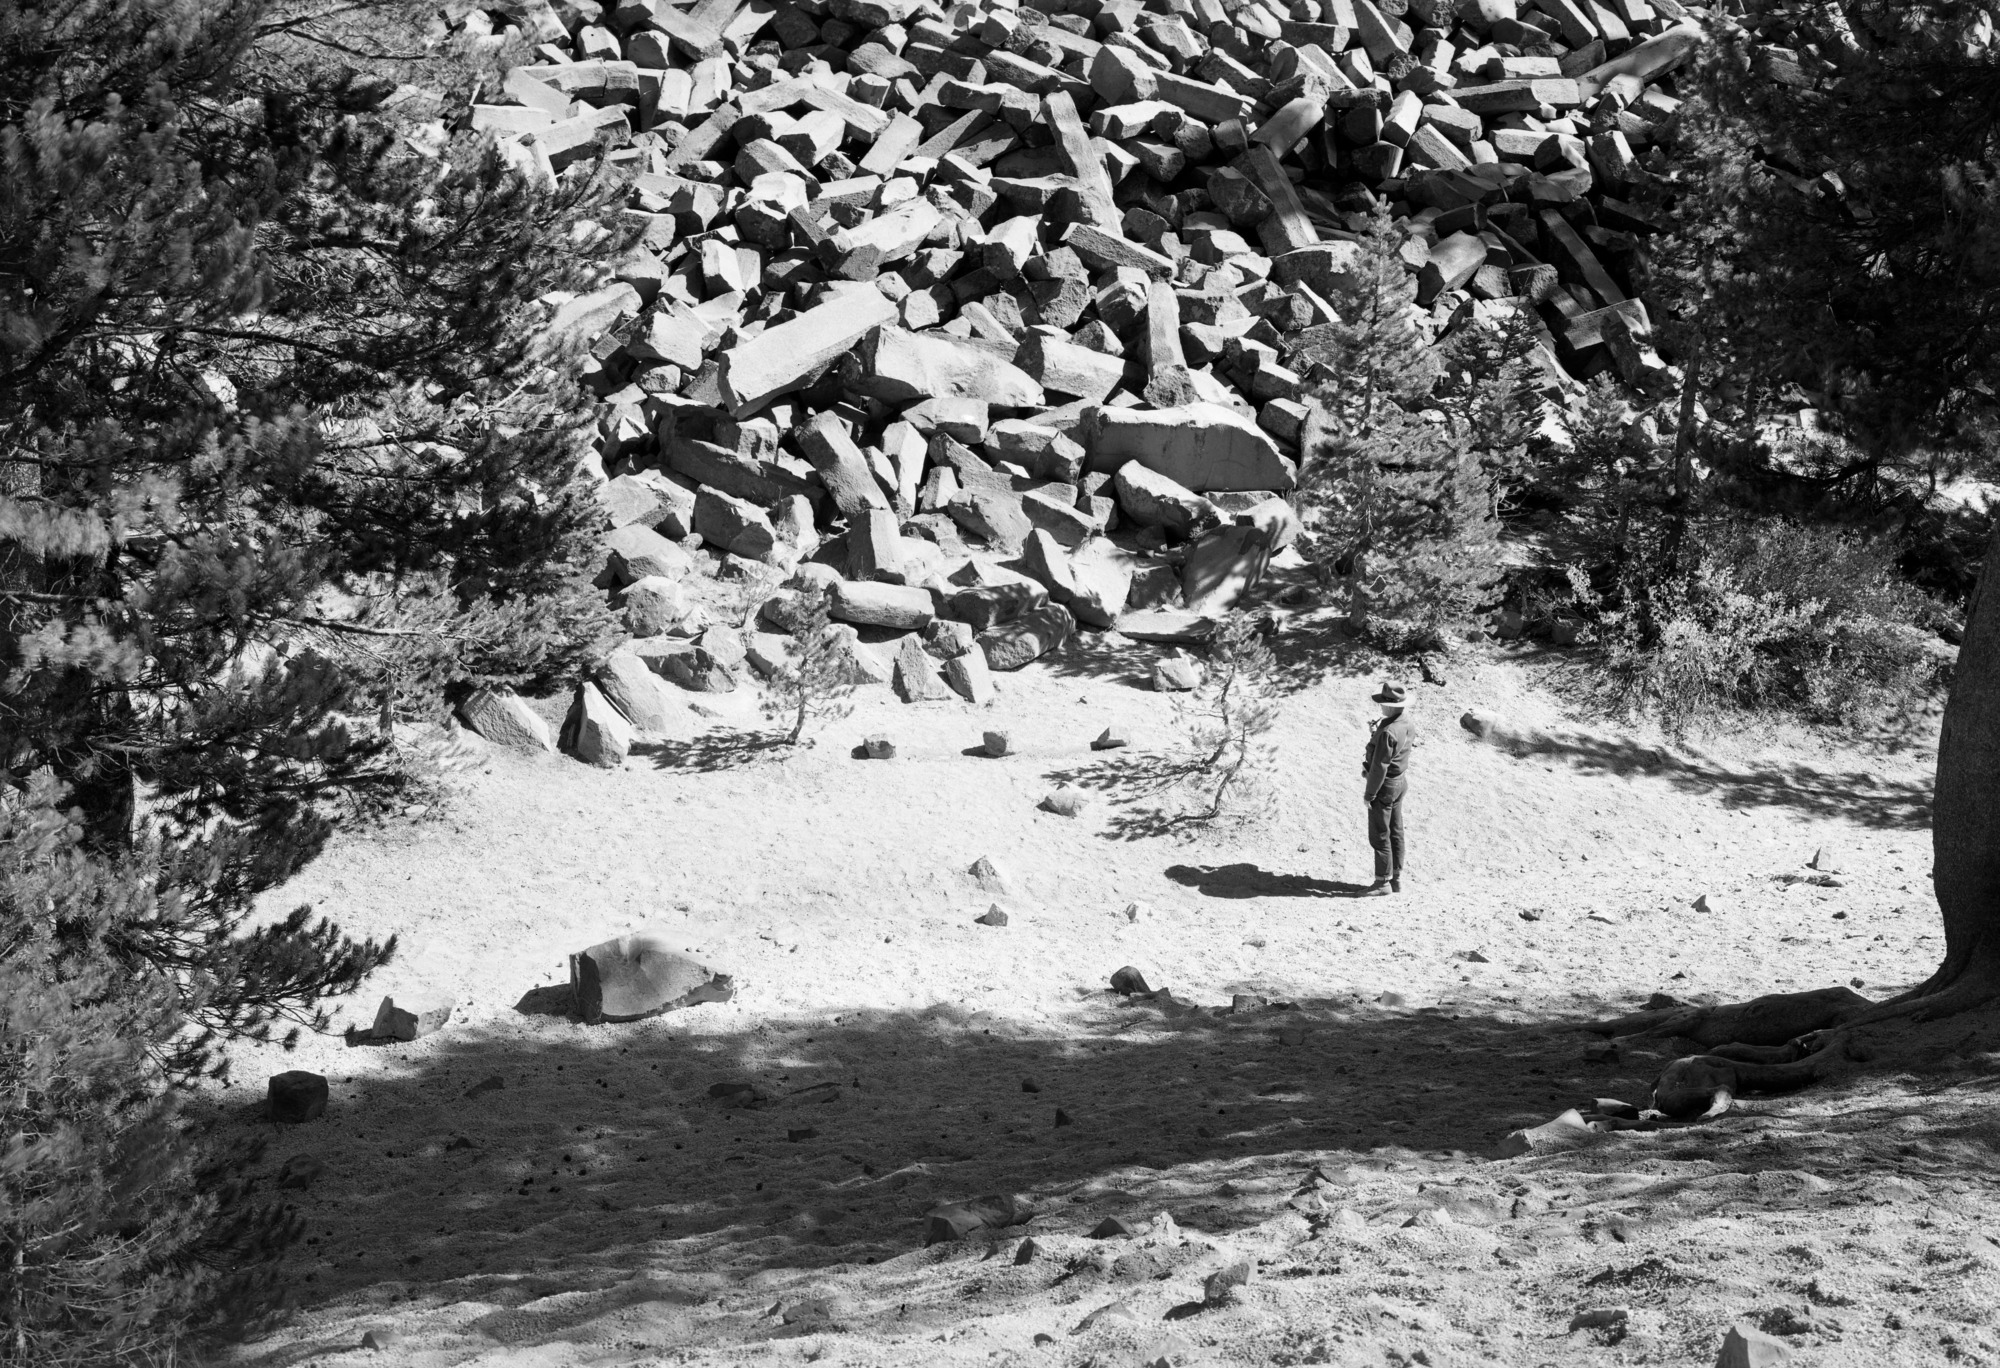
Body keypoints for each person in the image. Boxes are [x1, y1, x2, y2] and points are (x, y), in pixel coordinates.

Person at [1358, 682, 1413, 895]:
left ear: (1390, 706)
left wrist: (1369, 794)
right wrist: (1377, 733)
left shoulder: (1388, 731)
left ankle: (1382, 883)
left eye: (1383, 703)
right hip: (1400, 782)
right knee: (1396, 831)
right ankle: (1396, 879)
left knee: (1380, 834)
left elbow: (1380, 766)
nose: (1380, 706)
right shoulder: (1405, 722)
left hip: (1385, 786)